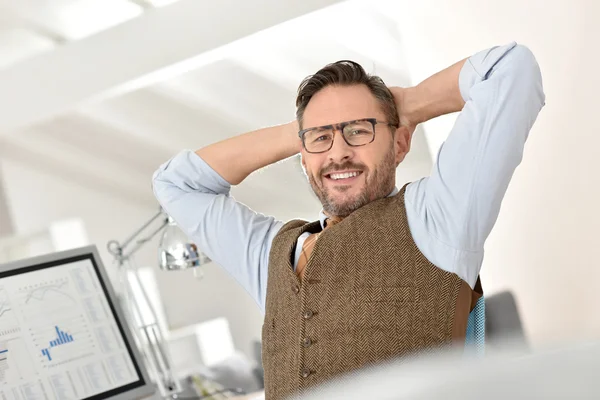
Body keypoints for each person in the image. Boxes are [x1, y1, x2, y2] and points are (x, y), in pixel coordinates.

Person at [153, 42, 545, 400]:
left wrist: (406, 104)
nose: (339, 152)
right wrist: (301, 132)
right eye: (321, 138)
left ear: (401, 143)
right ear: (303, 157)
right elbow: (176, 184)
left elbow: (510, 69)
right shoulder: (268, 254)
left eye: (359, 130)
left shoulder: (438, 217)